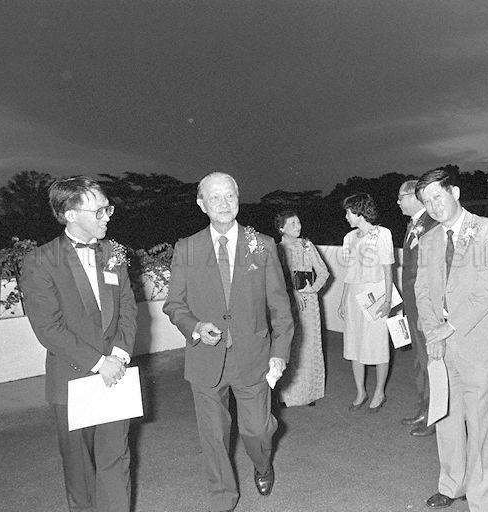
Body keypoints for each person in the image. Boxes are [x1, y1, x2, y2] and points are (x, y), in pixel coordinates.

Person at [163, 172, 294, 512]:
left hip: (253, 357)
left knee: (257, 431)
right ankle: (223, 498)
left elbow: (280, 307)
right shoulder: (187, 247)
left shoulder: (262, 244)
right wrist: (194, 326)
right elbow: (174, 304)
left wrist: (280, 354)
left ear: (238, 199)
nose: (223, 203)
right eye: (214, 197)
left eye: (229, 196)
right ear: (201, 203)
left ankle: (263, 465)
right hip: (205, 358)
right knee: (214, 436)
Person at [20, 176, 137, 512]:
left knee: (117, 461)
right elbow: (48, 328)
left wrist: (119, 353)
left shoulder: (115, 252)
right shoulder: (41, 260)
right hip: (72, 380)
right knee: (80, 471)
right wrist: (99, 362)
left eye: (107, 207)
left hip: (117, 372)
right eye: (98, 210)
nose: (107, 215)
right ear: (70, 214)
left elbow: (128, 304)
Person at [414, 168, 488, 511]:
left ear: (454, 191)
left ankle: (481, 501)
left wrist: (448, 328)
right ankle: (451, 485)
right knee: (446, 417)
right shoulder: (427, 240)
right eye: (426, 202)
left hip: (477, 342)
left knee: (480, 424)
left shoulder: (486, 230)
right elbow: (421, 290)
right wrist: (430, 331)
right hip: (440, 343)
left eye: (438, 196)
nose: (433, 206)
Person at [337, 193, 395, 412]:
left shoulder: (383, 234)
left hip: (376, 294)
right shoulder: (348, 238)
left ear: (359, 212)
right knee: (354, 343)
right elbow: (348, 273)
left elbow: (388, 269)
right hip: (354, 296)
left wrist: (388, 300)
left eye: (349, 212)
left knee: (378, 344)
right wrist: (343, 301)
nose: (346, 217)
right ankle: (360, 390)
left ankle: (379, 391)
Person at [274, 210, 330, 407]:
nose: (298, 227)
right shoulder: (276, 249)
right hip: (285, 302)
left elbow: (323, 272)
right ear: (282, 229)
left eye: (299, 223)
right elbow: (275, 280)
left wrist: (311, 290)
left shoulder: (307, 246)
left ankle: (310, 393)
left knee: (309, 345)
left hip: (309, 304)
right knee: (290, 346)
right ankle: (286, 396)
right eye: (293, 224)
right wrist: (293, 292)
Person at [397, 179, 439, 437]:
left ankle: (433, 417)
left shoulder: (430, 225)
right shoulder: (414, 224)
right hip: (413, 305)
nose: (398, 202)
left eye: (401, 197)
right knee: (419, 362)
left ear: (413, 197)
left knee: (428, 362)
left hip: (424, 306)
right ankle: (424, 408)